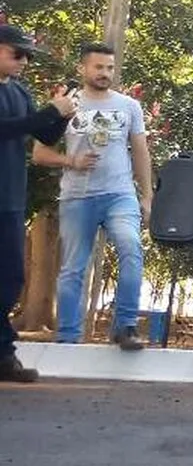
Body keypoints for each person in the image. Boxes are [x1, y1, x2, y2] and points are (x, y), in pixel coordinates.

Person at [33, 43, 152, 351]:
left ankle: (124, 327)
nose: (104, 73)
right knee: (73, 267)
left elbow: (140, 152)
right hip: (78, 197)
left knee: (131, 248)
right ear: (82, 69)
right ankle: (68, 337)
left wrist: (147, 196)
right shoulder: (65, 105)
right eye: (98, 67)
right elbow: (39, 153)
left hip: (119, 194)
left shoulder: (129, 107)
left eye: (110, 68)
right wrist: (70, 161)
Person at [0, 24, 75, 381]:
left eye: (28, 55)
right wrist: (48, 112)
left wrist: (61, 116)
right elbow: (6, 127)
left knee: (11, 278)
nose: (24, 61)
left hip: (10, 198)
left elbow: (41, 133)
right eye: (17, 53)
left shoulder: (18, 91)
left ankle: (2, 355)